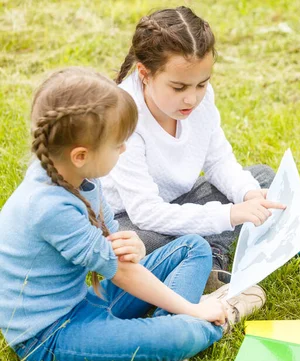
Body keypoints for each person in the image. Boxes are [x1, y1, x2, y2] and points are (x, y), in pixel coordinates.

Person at [0, 67, 265, 361]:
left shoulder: (79, 177)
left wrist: (135, 245)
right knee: (186, 332)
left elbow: (120, 247)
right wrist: (194, 309)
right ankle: (211, 316)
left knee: (193, 247)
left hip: (87, 301)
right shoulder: (49, 206)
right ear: (81, 155)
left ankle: (156, 343)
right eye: (118, 145)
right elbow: (123, 273)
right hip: (54, 332)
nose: (123, 150)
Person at [102, 6, 285, 289]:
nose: (192, 99)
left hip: (177, 201)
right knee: (131, 244)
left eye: (202, 84)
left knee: (261, 180)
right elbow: (145, 212)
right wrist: (230, 215)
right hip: (129, 220)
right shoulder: (124, 115)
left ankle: (205, 258)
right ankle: (195, 256)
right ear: (144, 74)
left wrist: (248, 195)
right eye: (178, 88)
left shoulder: (200, 99)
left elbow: (218, 162)